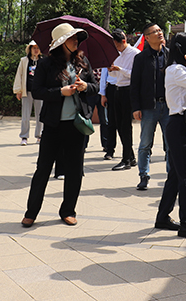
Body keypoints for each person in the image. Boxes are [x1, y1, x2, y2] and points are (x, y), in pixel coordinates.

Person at [22, 23, 98, 227]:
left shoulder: (82, 61)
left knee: (74, 170)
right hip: (53, 125)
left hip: (77, 125)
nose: (76, 41)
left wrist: (85, 86)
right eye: (72, 38)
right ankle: (31, 212)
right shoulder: (46, 63)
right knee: (43, 169)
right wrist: (60, 92)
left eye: (77, 38)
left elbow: (95, 86)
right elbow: (37, 91)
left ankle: (68, 210)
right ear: (61, 42)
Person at [153, 33, 186, 238]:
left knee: (176, 174)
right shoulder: (176, 69)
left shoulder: (182, 69)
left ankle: (162, 217)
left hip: (184, 123)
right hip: (178, 124)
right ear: (181, 48)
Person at [130, 23, 170, 190]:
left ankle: (172, 176)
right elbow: (134, 85)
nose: (159, 33)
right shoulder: (140, 58)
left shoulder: (169, 55)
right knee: (145, 144)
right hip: (148, 107)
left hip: (168, 106)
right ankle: (143, 175)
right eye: (155, 31)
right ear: (147, 37)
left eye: (160, 30)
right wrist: (136, 107)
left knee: (170, 143)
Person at [105, 29, 139, 170]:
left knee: (126, 125)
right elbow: (113, 76)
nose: (115, 48)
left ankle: (126, 159)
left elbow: (136, 75)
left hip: (128, 91)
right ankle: (131, 156)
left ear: (123, 41)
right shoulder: (116, 55)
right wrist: (112, 70)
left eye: (116, 45)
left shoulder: (135, 53)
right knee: (118, 124)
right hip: (117, 89)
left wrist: (120, 69)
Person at [14, 40, 43, 145]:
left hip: (40, 92)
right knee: (25, 116)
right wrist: (18, 90)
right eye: (34, 48)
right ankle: (24, 136)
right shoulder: (24, 61)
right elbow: (19, 75)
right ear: (30, 49)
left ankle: (39, 135)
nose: (36, 50)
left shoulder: (43, 61)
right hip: (27, 91)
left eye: (38, 48)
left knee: (40, 115)